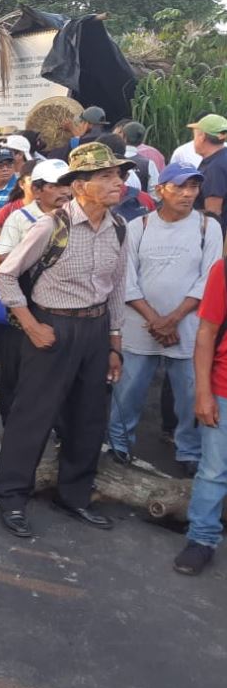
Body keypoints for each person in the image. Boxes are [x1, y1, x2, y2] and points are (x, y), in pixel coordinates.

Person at [0, 142, 132, 538]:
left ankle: (74, 496)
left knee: (88, 418)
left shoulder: (118, 228)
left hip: (95, 329)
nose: (117, 182)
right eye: (106, 176)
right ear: (80, 184)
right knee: (33, 415)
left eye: (118, 174)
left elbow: (118, 287)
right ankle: (11, 497)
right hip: (51, 328)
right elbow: (5, 275)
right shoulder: (51, 226)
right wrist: (32, 325)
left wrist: (114, 343)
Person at [107, 163, 219, 477]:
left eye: (193, 187)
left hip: (186, 329)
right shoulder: (139, 226)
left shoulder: (207, 227)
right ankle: (119, 446)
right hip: (141, 328)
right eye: (180, 187)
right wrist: (156, 320)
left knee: (189, 397)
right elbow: (126, 279)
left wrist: (173, 318)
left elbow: (209, 280)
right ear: (161, 190)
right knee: (127, 393)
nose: (187, 194)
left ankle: (189, 452)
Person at [0, 159, 71, 421]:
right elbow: (0, 260)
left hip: (60, 306)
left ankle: (57, 428)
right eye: (55, 185)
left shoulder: (76, 217)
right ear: (37, 190)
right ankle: (11, 423)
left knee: (58, 370)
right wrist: (35, 255)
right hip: (23, 305)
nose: (64, 192)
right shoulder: (20, 217)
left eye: (67, 185)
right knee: (15, 369)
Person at [174, 251, 227, 574]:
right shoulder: (223, 270)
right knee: (213, 471)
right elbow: (206, 332)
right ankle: (202, 539)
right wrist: (203, 393)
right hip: (223, 388)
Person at [189, 113, 227, 223]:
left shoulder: (215, 167)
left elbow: (213, 211)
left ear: (202, 137)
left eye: (194, 136)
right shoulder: (221, 158)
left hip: (216, 234)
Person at [114, 121, 159, 192]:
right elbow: (155, 193)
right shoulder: (148, 163)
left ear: (123, 136)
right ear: (142, 140)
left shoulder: (113, 160)